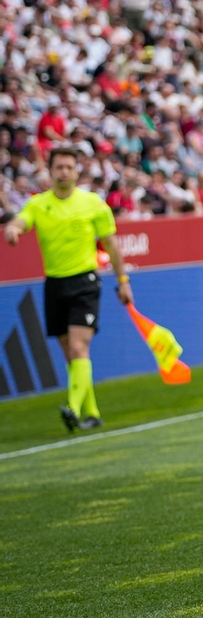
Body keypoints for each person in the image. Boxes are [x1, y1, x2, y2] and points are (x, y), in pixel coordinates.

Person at [2, 148, 133, 432]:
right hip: (54, 284)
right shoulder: (39, 204)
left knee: (78, 346)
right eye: (59, 167)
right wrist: (12, 230)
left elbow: (111, 246)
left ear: (76, 172)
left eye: (69, 167)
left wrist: (123, 282)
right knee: (70, 354)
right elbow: (20, 221)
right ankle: (93, 412)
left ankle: (72, 408)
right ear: (50, 171)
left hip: (85, 281)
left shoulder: (93, 204)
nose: (64, 172)